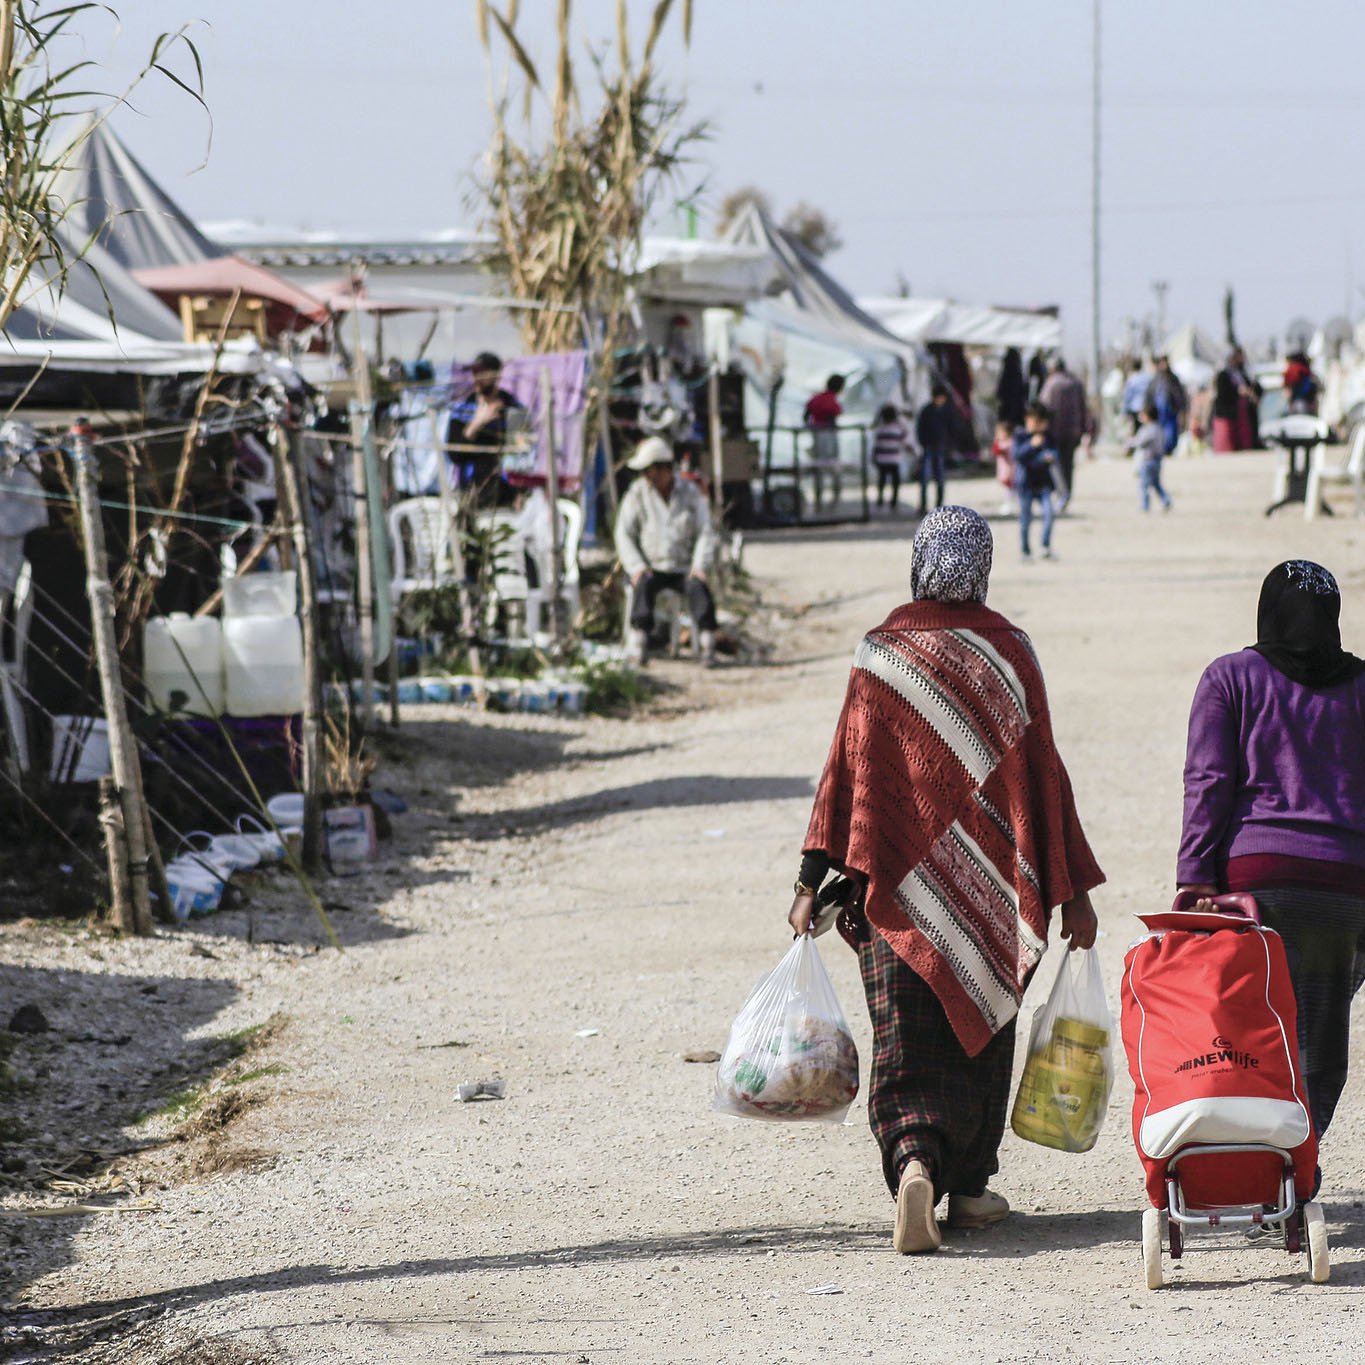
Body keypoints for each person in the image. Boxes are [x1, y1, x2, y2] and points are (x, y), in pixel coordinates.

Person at [791, 507, 1104, 1254]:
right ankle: (965, 1186)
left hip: (893, 893)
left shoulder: (881, 654)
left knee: (904, 1043)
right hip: (995, 897)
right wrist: (1074, 893)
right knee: (979, 1038)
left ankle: (912, 1166)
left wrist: (809, 879)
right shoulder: (1011, 654)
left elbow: (847, 778)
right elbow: (1043, 780)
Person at [1178, 560, 1365, 1142]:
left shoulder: (1230, 678)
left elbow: (1208, 782)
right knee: (1319, 1031)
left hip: (1254, 886)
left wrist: (1195, 876)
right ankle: (1298, 1158)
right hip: (1345, 887)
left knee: (1252, 1025)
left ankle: (1254, 1160)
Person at [614, 436, 718, 667]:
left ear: (664, 469)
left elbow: (705, 532)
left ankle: (707, 644)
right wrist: (637, 566)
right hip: (651, 567)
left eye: (651, 471)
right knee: (642, 588)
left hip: (683, 567)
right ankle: (639, 645)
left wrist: (699, 565)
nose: (647, 477)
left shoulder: (690, 493)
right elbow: (624, 534)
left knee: (698, 589)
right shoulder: (637, 494)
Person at [448, 351, 525, 507]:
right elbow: (454, 455)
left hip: (507, 496)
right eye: (474, 373)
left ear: (497, 375)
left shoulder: (513, 409)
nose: (477, 378)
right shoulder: (462, 411)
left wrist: (521, 493)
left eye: (482, 373)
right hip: (471, 494)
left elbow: (522, 457)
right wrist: (477, 423)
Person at [1012, 401, 1060, 561]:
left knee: (1049, 514)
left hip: (1044, 484)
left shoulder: (1048, 436)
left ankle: (1045, 546)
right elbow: (1018, 456)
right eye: (1035, 421)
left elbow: (1053, 454)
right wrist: (1031, 446)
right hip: (1025, 484)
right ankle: (1025, 550)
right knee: (1025, 519)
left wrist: (1048, 456)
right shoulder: (1020, 436)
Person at [1038, 357, 1088, 506]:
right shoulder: (1076, 383)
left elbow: (1043, 407)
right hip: (1073, 430)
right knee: (1069, 463)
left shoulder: (1051, 384)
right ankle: (1068, 492)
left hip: (1055, 431)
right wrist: (1084, 428)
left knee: (1056, 463)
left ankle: (1062, 493)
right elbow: (1084, 408)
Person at [803, 374, 845, 512]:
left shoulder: (816, 398)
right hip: (828, 435)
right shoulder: (830, 400)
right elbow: (834, 413)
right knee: (833, 466)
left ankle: (819, 501)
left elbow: (806, 414)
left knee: (819, 468)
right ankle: (834, 500)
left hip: (817, 434)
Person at [914, 385, 954, 516]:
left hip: (940, 447)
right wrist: (923, 442)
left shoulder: (945, 411)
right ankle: (923, 505)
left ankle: (939, 504)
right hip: (928, 447)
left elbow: (950, 428)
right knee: (925, 478)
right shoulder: (927, 411)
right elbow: (920, 429)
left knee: (940, 478)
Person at [1212, 347, 1260, 453]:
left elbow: (1254, 387)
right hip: (1227, 414)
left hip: (1241, 414)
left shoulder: (1242, 373)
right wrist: (1239, 391)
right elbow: (1224, 393)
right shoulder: (1223, 375)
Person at [1128, 400, 1172, 512]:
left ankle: (1145, 506)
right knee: (1156, 484)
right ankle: (1166, 500)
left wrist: (1130, 442)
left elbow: (1140, 442)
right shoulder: (1159, 428)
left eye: (1142, 415)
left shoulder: (1148, 429)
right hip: (1158, 460)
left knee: (1144, 485)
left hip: (1148, 461)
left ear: (1147, 416)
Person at [871, 403, 910, 512]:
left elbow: (876, 445)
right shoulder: (898, 427)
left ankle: (880, 498)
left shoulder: (880, 428)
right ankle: (894, 501)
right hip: (894, 459)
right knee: (895, 482)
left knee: (882, 480)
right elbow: (905, 439)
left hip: (882, 459)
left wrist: (873, 457)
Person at [1147, 355, 1188, 456]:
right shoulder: (1156, 379)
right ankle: (1162, 448)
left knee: (1171, 429)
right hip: (1159, 409)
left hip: (1171, 408)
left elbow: (1179, 394)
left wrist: (1182, 408)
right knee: (1159, 429)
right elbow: (1150, 394)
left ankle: (1169, 448)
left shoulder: (1173, 378)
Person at [990, 419, 1016, 515]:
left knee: (1010, 489)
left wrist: (997, 443)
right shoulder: (1003, 442)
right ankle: (1010, 503)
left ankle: (1010, 504)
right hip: (1004, 469)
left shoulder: (1009, 443)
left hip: (1010, 470)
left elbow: (997, 451)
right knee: (1008, 489)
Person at [1283, 350, 1320, 415]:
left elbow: (1288, 387)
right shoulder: (1304, 370)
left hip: (1299, 402)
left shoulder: (1293, 370)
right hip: (1307, 402)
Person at [1122, 357, 1152, 434]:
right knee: (1146, 428)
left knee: (1136, 429)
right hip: (1146, 407)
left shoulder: (1131, 380)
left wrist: (1125, 411)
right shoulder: (1147, 377)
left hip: (1135, 408)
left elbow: (1128, 396)